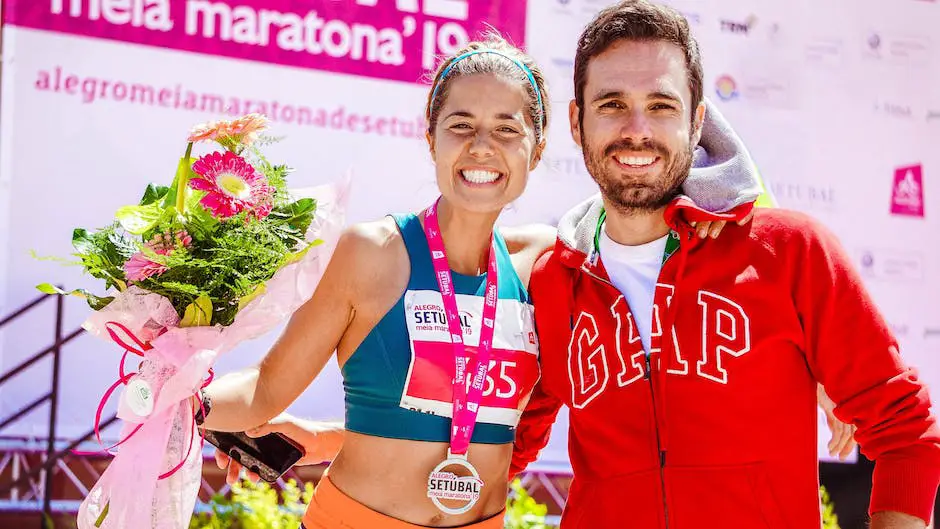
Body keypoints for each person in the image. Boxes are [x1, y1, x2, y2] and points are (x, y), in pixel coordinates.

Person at [194, 32, 763, 529]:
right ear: (430, 137)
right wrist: (171, 393)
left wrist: (821, 381)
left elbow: (659, 199)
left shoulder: (546, 260)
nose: (482, 146)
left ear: (537, 148)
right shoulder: (371, 253)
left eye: (506, 129)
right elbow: (265, 389)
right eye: (460, 125)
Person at [507, 2, 940, 528]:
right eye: (612, 103)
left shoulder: (790, 252)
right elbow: (501, 448)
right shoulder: (556, 281)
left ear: (697, 121)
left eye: (662, 105)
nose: (636, 129)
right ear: (577, 122)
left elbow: (905, 433)